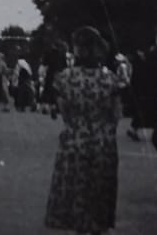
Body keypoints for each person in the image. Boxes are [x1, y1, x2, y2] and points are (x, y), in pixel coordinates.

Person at [44, 26, 123, 234]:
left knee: (77, 194)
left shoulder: (64, 78)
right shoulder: (111, 79)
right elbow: (116, 115)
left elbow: (65, 112)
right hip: (103, 142)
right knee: (100, 194)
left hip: (74, 140)